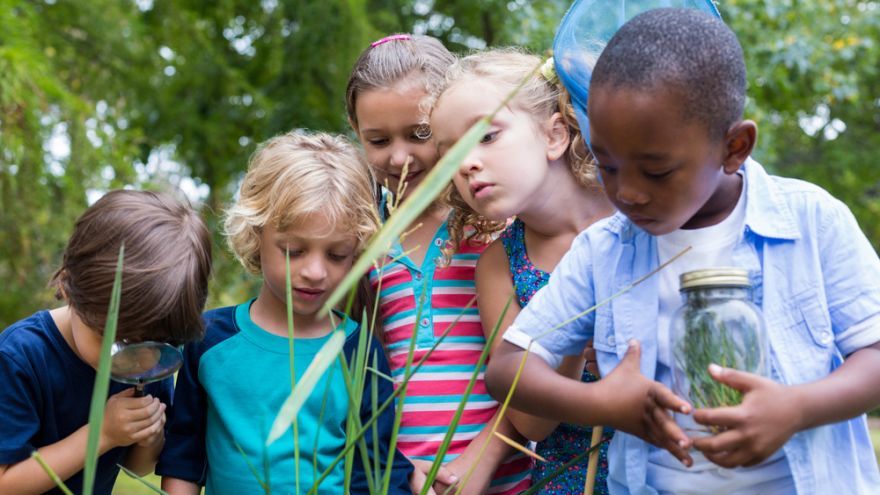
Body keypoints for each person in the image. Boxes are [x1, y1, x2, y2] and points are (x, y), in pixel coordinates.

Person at [486, 7, 880, 494]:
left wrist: (797, 407)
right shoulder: (602, 252)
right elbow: (506, 369)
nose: (627, 193)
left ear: (734, 147)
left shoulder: (812, 221)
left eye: (655, 171)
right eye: (608, 166)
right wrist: (603, 405)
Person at [157, 130, 412, 495]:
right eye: (294, 250)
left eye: (337, 254)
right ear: (256, 235)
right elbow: (184, 457)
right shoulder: (209, 341)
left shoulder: (360, 353)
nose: (315, 271)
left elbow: (375, 473)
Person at [346, 34, 532, 494]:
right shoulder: (357, 249)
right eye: (378, 140)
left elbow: (531, 372)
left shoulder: (502, 229)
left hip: (506, 480)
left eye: (420, 134)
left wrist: (482, 457)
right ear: (356, 133)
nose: (399, 157)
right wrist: (402, 472)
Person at [429, 48, 616, 493]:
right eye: (450, 153)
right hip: (571, 480)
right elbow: (531, 420)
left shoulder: (635, 217)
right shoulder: (499, 265)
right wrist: (570, 332)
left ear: (553, 135)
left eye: (487, 136)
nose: (467, 163)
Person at [0, 189, 213, 494]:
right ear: (68, 284)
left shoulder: (150, 361)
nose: (137, 359)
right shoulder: (19, 357)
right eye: (119, 338)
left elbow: (137, 465)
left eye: (155, 342)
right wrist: (102, 433)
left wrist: (148, 436)